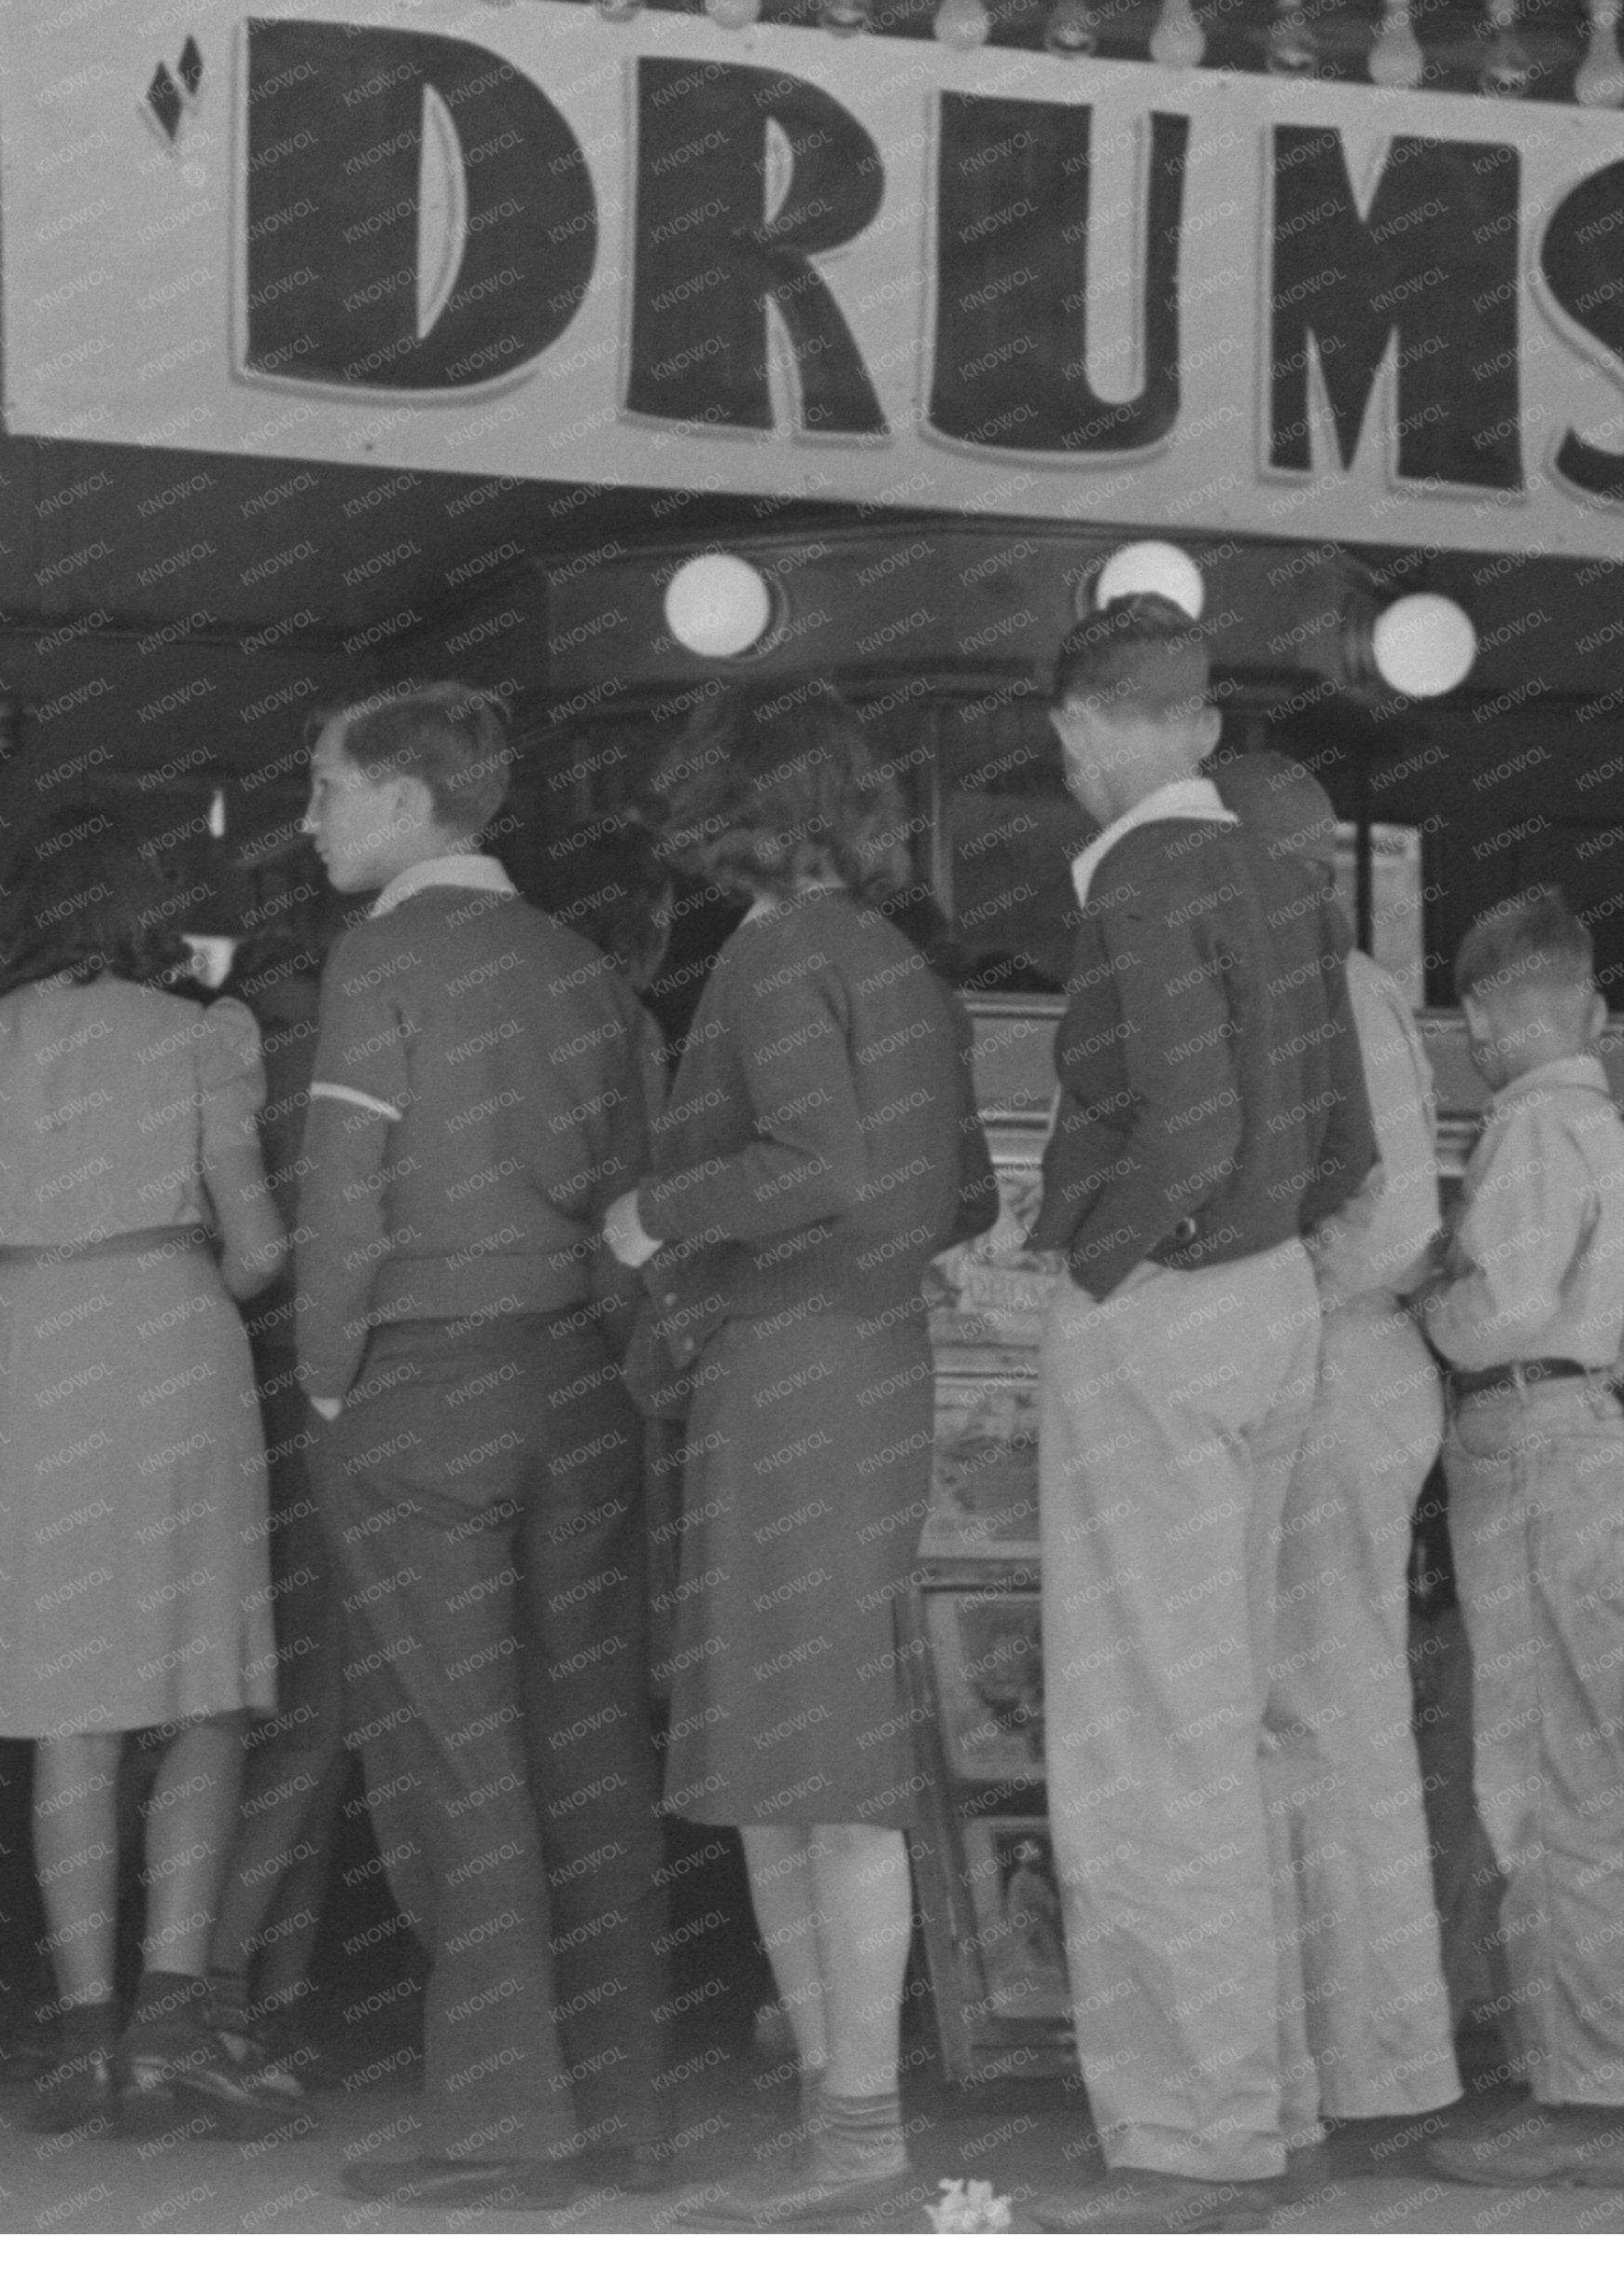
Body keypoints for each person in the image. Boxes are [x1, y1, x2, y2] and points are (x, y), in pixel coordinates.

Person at [598, 686, 997, 2229]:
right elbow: (950, 1190)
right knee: (834, 1768)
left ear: (734, 806)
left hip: (779, 1374)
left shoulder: (769, 959)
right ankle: (850, 2125)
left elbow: (815, 1162)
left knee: (791, 1780)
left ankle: (853, 2136)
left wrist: (661, 1213)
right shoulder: (903, 962)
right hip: (878, 1358)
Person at [292, 680, 676, 2210]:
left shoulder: (381, 957)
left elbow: (342, 1196)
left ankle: (506, 2123)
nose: (308, 815)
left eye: (324, 785)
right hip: (575, 1382)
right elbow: (640, 1208)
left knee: (454, 1753)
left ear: (401, 798)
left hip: (420, 1382)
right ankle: (625, 2107)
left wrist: (330, 1384)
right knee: (586, 1739)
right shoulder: (588, 970)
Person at [1020, 600, 1375, 2234]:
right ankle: (1269, 2101)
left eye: (1070, 738)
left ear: (1088, 726)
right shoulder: (1290, 885)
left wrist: (1102, 1265)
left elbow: (1187, 1118)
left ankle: (1189, 2133)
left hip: (1167, 1310)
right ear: (1206, 725)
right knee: (1231, 1719)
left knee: (1140, 1736)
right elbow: (1343, 1145)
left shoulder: (1138, 882)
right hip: (1283, 1306)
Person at [0, 818, 287, 2140]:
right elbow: (258, 1249)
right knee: (201, 1690)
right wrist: (188, 1284)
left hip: (24, 1356)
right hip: (170, 1338)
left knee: (71, 1707)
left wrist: (24, 1303)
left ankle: (84, 2039)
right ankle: (174, 2019)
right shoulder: (200, 1039)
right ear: (153, 913)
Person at [1204, 753, 1465, 2147]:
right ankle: (1344, 2058)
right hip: (1352, 1364)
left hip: (1340, 1362)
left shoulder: (1326, 987)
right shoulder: (1344, 978)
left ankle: (1366, 2066)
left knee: (1325, 1714)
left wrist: (1271, 1280)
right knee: (1319, 1712)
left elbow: (1389, 1221)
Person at [1413, 888, 1624, 2189]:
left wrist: (1427, 1295)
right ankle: (1597, 2080)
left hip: (1528, 1445)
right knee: (1585, 1771)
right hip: (1604, 1443)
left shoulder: (1524, 1136)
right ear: (1596, 1007)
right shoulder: (1619, 1141)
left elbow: (1501, 1309)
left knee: (1535, 1784)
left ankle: (1587, 2105)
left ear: (1479, 1019)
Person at [193, 888, 345, 2113]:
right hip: (326, 1386)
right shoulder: (332, 1057)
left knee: (274, 1707)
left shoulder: (224, 1046)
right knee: (310, 1716)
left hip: (229, 1387)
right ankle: (226, 1991)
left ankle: (259, 1993)